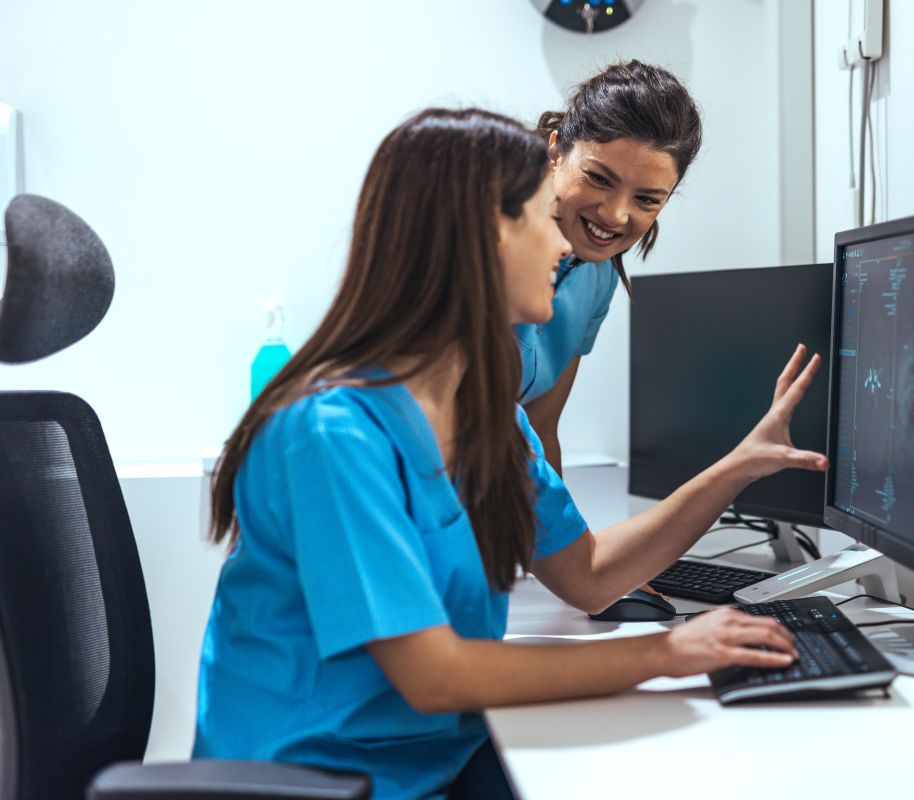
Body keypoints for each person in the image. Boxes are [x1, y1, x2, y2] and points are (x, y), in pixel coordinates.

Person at [194, 108, 827, 800]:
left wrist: (740, 465)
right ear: (483, 235)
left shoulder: (487, 415)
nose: (563, 250)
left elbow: (587, 575)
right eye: (539, 220)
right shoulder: (332, 434)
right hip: (327, 780)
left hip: (440, 758)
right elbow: (433, 676)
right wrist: (662, 653)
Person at [518, 59, 702, 471]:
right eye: (599, 178)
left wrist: (562, 535)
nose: (616, 216)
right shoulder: (478, 245)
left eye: (647, 199)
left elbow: (541, 431)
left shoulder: (596, 275)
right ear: (555, 152)